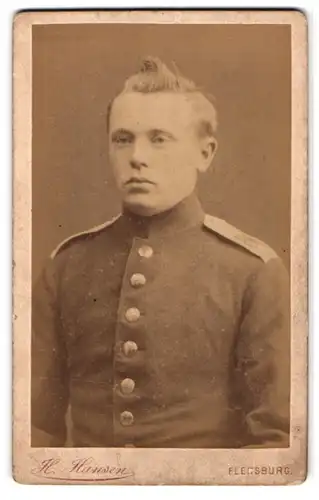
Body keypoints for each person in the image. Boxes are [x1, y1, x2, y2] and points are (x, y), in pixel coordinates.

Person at [31, 56, 290, 448]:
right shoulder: (66, 266)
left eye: (159, 138)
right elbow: (31, 431)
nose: (137, 156)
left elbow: (275, 441)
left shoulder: (252, 271)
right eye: (122, 138)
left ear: (205, 153)